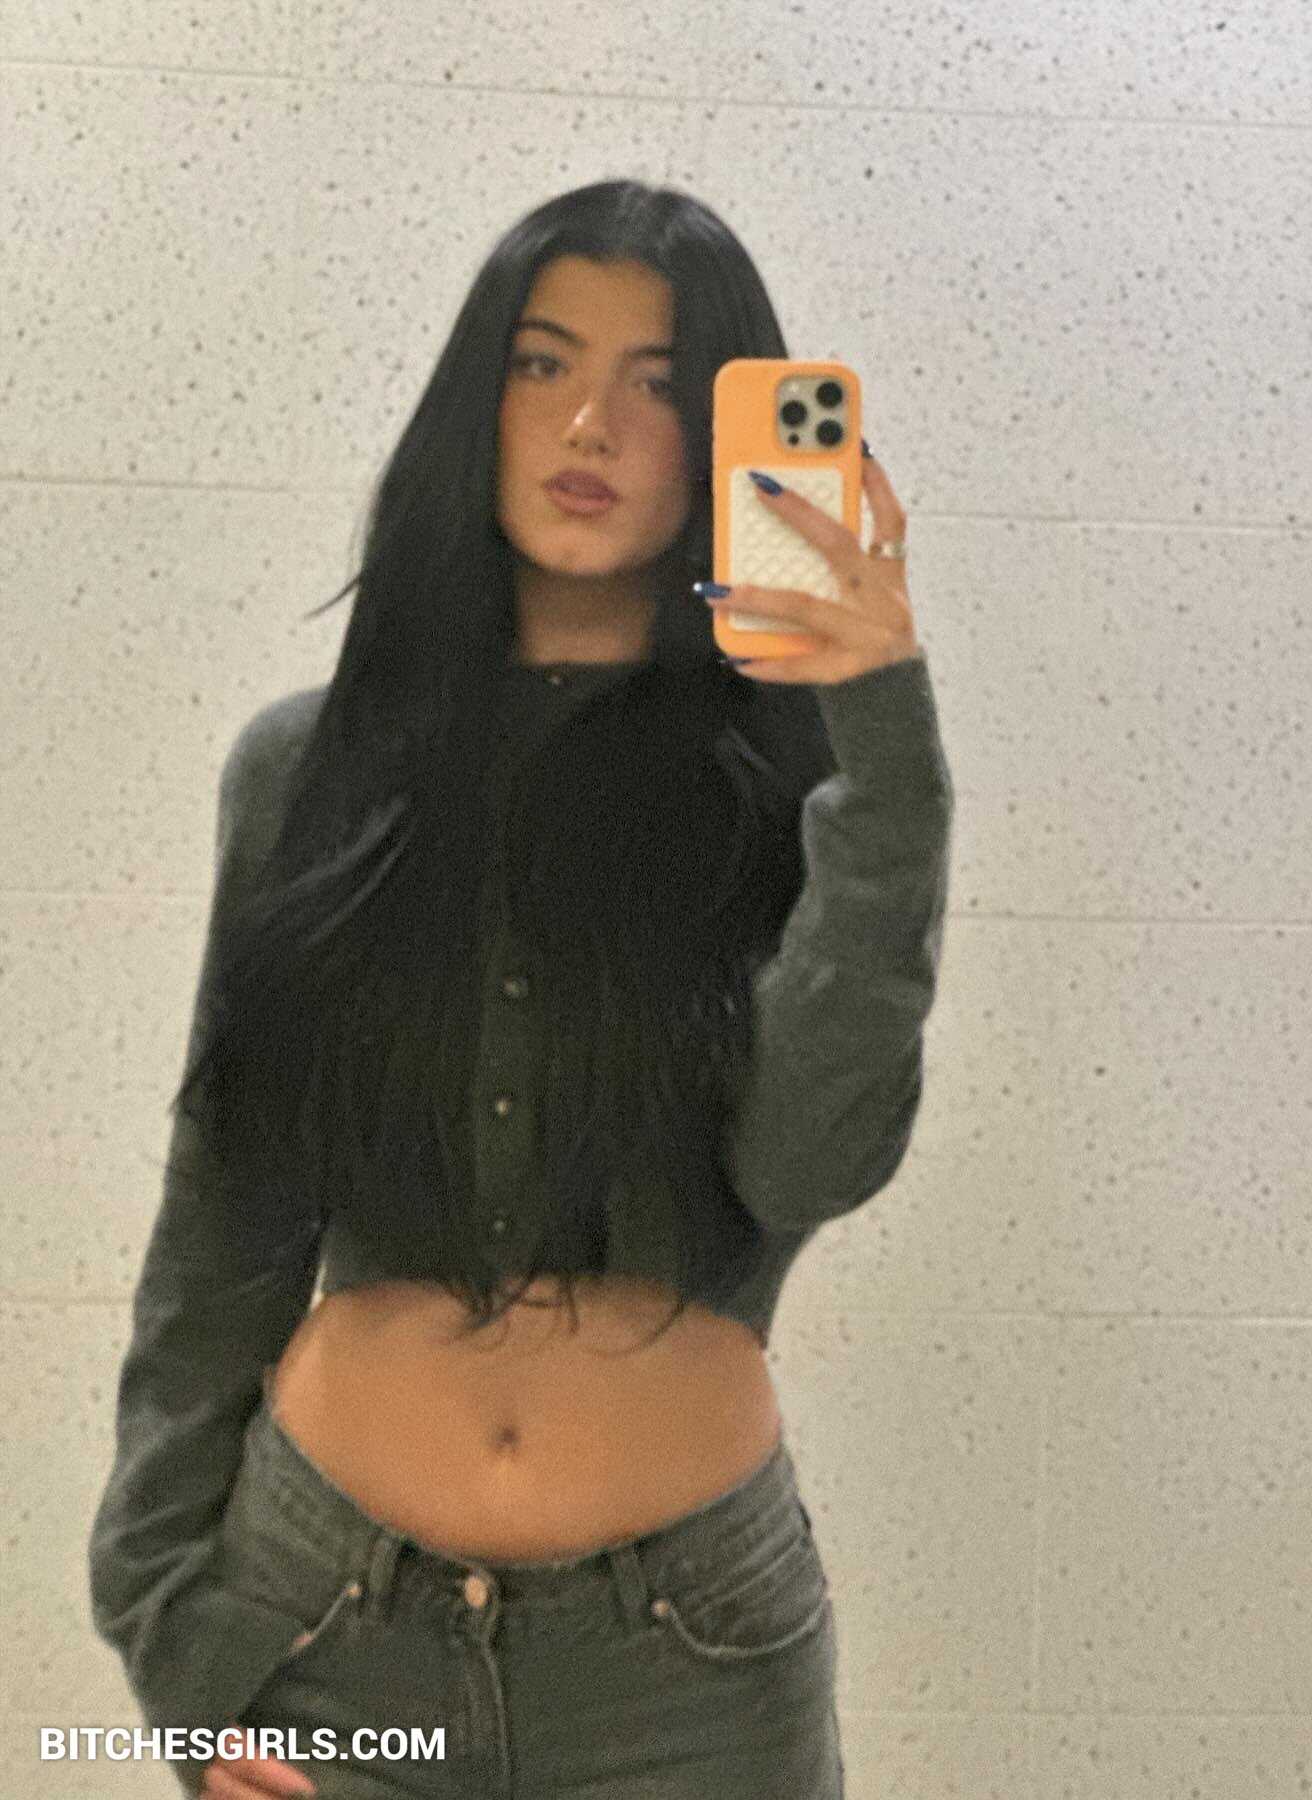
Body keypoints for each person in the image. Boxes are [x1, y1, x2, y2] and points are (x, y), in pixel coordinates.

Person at [87, 178, 953, 1798]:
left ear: (726, 439)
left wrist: (888, 753)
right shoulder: (307, 775)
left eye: (658, 383)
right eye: (543, 364)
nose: (593, 424)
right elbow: (222, 1228)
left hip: (691, 1684)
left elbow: (806, 1165)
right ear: (473, 402)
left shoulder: (799, 798)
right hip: (325, 1636)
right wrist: (179, 1662)